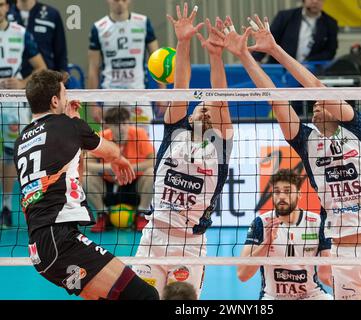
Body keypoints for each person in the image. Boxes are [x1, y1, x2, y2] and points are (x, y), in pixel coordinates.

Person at [219, 15, 361, 300]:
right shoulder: (307, 143)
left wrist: (275, 50)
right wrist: (245, 55)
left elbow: (317, 88)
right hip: (344, 256)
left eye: (324, 101)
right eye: (315, 104)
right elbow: (276, 99)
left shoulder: (356, 128)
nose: (318, 104)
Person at [13, 70, 159, 300]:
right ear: (54, 101)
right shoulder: (68, 125)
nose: (67, 97)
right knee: (145, 296)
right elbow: (111, 150)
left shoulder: (22, 140)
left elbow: (75, 176)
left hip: (40, 248)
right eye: (64, 93)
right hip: (60, 239)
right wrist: (118, 159)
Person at [132, 3, 233, 298]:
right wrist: (183, 42)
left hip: (189, 243)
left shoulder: (219, 146)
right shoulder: (175, 131)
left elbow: (221, 98)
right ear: (189, 115)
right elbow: (182, 85)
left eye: (210, 109)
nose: (205, 110)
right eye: (200, 106)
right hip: (154, 236)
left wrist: (215, 56)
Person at [238, 169, 333, 300]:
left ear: (299, 194)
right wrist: (266, 243)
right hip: (273, 297)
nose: (281, 196)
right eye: (276, 192)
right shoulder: (261, 223)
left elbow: (327, 274)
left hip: (312, 295)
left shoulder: (317, 222)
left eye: (288, 191)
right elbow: (242, 275)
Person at [0, 0, 46, 227]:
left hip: (12, 103)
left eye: (0, 4)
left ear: (7, 8)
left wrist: (21, 83)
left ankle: (7, 207)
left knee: (13, 154)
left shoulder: (21, 33)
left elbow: (41, 68)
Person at [88, 0, 166, 124]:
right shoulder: (98, 28)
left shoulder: (143, 22)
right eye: (116, 0)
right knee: (112, 141)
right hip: (111, 97)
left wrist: (162, 93)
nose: (120, 3)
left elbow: (156, 59)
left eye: (123, 0)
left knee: (143, 140)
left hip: (139, 95)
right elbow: (93, 68)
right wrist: (93, 104)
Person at [84, 107, 155, 232]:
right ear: (108, 125)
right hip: (110, 187)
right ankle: (103, 215)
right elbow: (85, 164)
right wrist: (109, 168)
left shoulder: (139, 134)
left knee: (151, 173)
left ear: (129, 123)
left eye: (125, 123)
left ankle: (142, 214)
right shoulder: (101, 137)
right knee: (86, 176)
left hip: (134, 186)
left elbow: (153, 161)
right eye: (116, 124)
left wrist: (127, 168)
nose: (121, 127)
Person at [252, 0, 338, 64]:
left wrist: (309, 62)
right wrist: (256, 59)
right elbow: (269, 39)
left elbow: (330, 51)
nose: (315, 1)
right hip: (281, 68)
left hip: (311, 71)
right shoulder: (285, 16)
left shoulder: (330, 23)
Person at [7, 0, 68, 78]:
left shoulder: (52, 14)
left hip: (46, 82)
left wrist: (61, 81)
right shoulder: (5, 14)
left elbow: (61, 55)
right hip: (12, 83)